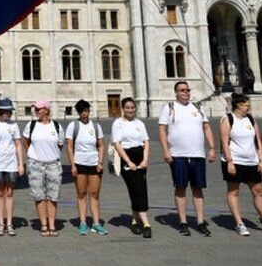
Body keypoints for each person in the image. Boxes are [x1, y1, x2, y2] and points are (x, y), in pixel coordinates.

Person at [221, 93, 262, 236]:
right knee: (234, 191)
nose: (248, 106)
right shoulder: (227, 119)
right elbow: (225, 142)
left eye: (248, 104)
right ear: (238, 105)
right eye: (246, 104)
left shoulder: (250, 119)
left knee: (258, 191)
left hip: (251, 160)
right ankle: (239, 223)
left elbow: (258, 141)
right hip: (235, 161)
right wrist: (229, 161)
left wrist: (261, 160)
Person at [157, 81, 216, 236]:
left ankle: (200, 221)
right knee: (180, 187)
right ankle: (183, 222)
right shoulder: (169, 108)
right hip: (178, 155)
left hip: (197, 154)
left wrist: (211, 148)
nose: (185, 92)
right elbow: (162, 129)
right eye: (182, 90)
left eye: (187, 90)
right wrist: (165, 150)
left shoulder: (198, 107)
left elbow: (207, 127)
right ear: (176, 93)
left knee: (198, 188)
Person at [111, 97, 152, 238]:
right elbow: (117, 143)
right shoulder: (118, 123)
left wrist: (145, 159)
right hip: (126, 157)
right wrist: (128, 161)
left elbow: (146, 141)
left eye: (132, 107)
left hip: (140, 156)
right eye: (127, 108)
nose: (130, 110)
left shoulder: (139, 123)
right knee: (136, 188)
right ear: (123, 108)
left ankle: (135, 221)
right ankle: (146, 223)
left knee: (140, 188)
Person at [22, 99, 64, 237]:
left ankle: (52, 224)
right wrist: (30, 153)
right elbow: (25, 140)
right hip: (36, 164)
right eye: (35, 109)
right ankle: (44, 225)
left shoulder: (56, 126)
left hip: (53, 164)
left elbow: (60, 145)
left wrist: (51, 154)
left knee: (52, 196)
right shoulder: (32, 125)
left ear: (46, 110)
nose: (36, 111)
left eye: (39, 109)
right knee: (39, 196)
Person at [66, 99, 107, 236]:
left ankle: (96, 223)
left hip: (94, 163)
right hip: (79, 163)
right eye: (81, 111)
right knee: (81, 193)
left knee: (95, 194)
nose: (84, 113)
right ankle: (83, 223)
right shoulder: (73, 126)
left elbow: (101, 145)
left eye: (86, 111)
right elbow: (70, 147)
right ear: (78, 112)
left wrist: (100, 162)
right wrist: (72, 165)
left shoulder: (95, 126)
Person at [0, 97, 24, 236]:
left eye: (9, 112)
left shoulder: (14, 125)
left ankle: (10, 223)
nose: (7, 114)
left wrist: (21, 164)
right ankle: (1, 223)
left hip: (11, 164)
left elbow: (18, 144)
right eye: (4, 111)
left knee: (9, 192)